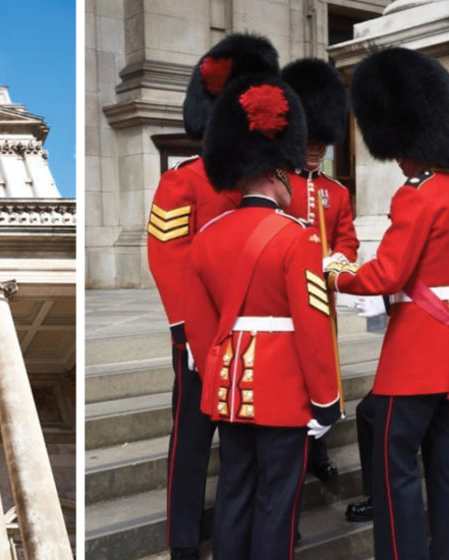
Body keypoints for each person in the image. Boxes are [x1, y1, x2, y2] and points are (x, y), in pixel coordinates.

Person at [325, 48, 449, 560]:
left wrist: (338, 272)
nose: (395, 158)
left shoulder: (417, 194)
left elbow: (388, 273)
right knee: (447, 460)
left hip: (415, 355)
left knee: (395, 465)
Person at [184, 72, 341, 560]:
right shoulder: (298, 237)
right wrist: (326, 399)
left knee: (233, 493)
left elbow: (201, 323)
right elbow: (313, 327)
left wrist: (217, 378)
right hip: (282, 388)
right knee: (278, 500)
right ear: (277, 173)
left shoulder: (207, 236)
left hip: (229, 388)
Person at [145, 33, 280, 560]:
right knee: (193, 438)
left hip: (260, 329)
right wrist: (191, 333)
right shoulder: (186, 180)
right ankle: (183, 538)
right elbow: (167, 260)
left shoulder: (269, 180)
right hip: (203, 331)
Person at [280, 57, 359, 483]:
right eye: (309, 140)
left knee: (323, 373)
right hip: (282, 300)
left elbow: (347, 239)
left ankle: (319, 448)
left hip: (322, 297)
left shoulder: (336, 192)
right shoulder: (277, 182)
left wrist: (337, 262)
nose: (316, 149)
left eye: (322, 143)